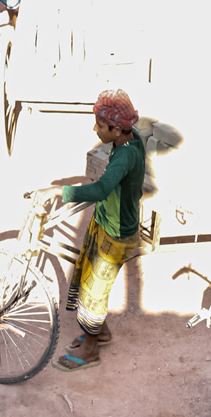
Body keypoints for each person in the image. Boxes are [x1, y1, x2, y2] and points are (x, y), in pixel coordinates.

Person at [57, 89, 146, 371]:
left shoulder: (124, 157)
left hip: (116, 233)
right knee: (88, 278)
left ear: (117, 128)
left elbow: (101, 188)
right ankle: (100, 332)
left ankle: (91, 349)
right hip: (104, 220)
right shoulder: (130, 142)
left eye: (100, 125)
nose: (95, 129)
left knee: (95, 291)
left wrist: (61, 192)